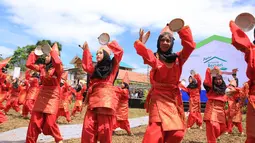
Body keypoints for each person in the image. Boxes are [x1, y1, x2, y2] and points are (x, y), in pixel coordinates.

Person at [134, 22, 196, 143]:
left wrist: (180, 29)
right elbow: (146, 55)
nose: (165, 43)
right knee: (154, 132)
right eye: (162, 40)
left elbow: (190, 47)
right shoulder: (155, 57)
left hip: (172, 99)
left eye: (168, 40)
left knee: (177, 133)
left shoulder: (179, 58)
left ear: (172, 42)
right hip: (158, 98)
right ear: (158, 42)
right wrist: (141, 44)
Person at [80, 39, 123, 143]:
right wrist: (86, 50)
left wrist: (107, 43)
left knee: (104, 132)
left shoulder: (113, 67)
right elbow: (86, 66)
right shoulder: (95, 69)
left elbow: (119, 52)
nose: (97, 55)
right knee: (87, 129)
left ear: (106, 54)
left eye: (100, 52)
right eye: (96, 53)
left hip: (106, 104)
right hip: (93, 103)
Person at [25, 43, 63, 143]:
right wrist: (34, 54)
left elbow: (58, 63)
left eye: (48, 55)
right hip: (41, 95)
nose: (46, 57)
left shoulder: (58, 69)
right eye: (46, 55)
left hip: (53, 96)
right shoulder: (42, 68)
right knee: (34, 122)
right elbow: (29, 65)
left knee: (50, 123)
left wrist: (52, 52)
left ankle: (58, 139)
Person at [203, 67, 227, 143]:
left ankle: (212, 139)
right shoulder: (211, 88)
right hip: (212, 108)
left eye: (220, 79)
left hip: (221, 111)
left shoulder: (225, 89)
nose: (218, 81)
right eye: (216, 79)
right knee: (213, 126)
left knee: (223, 128)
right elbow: (207, 81)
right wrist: (215, 71)